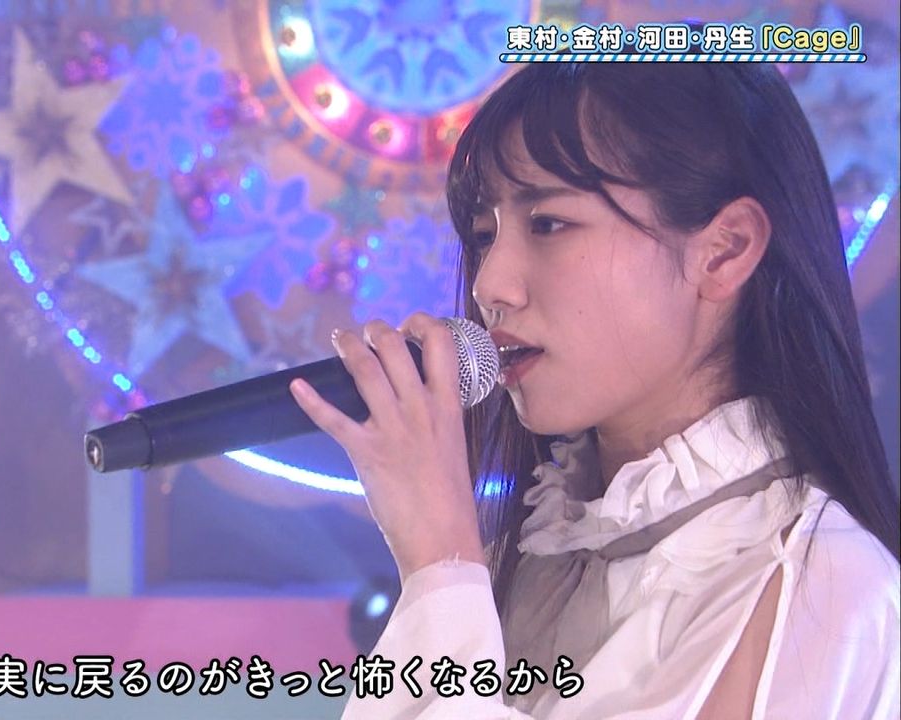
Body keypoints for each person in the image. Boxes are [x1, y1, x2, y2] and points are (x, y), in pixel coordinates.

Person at [288, 61, 900, 718]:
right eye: (485, 234)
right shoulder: (526, 558)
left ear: (725, 249)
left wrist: (440, 559)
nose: (490, 285)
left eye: (548, 223)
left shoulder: (819, 583)